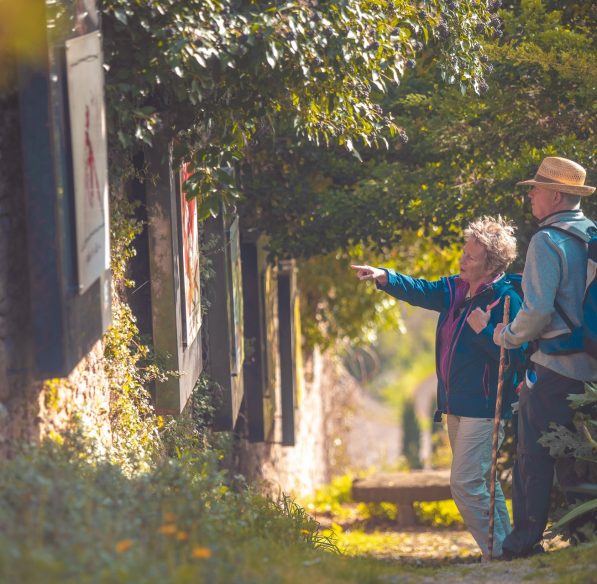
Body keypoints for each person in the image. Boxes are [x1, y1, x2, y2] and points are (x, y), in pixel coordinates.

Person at [352, 216, 523, 560]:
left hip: (485, 408)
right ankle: (509, 551)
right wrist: (386, 277)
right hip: (456, 406)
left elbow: (515, 360)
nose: (462, 260)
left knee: (464, 484)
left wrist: (484, 332)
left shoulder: (504, 300)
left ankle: (500, 554)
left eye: (471, 257)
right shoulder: (456, 290)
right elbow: (422, 290)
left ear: (490, 266)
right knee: (482, 484)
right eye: (464, 252)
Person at [493, 156, 597, 559]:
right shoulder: (592, 234)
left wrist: (508, 335)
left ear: (556, 195)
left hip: (553, 368)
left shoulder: (546, 240)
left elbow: (536, 311)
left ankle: (523, 543)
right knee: (581, 456)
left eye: (536, 188)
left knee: (533, 455)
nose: (531, 195)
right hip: (591, 367)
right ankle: (585, 541)